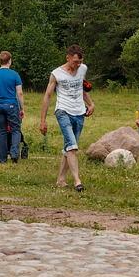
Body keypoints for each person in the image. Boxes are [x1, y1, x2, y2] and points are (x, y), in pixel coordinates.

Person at [39, 45, 94, 191]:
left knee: (69, 147)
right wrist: (42, 121)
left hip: (79, 112)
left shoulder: (82, 69)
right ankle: (77, 181)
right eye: (75, 62)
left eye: (80, 62)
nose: (78, 65)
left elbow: (81, 88)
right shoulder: (56, 74)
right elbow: (48, 96)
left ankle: (61, 180)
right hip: (63, 111)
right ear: (67, 58)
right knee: (72, 146)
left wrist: (91, 103)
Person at [0, 51, 24, 164]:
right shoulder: (14, 75)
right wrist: (21, 108)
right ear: (9, 61)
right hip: (11, 104)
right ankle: (14, 154)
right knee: (15, 130)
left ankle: (2, 158)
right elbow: (20, 93)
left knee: (1, 132)